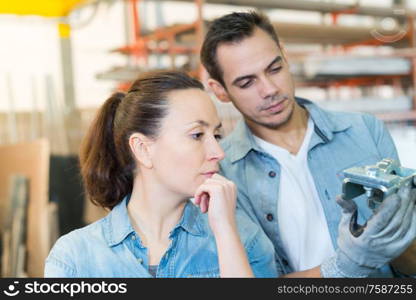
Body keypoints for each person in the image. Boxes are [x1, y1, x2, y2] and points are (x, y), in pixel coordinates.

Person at [200, 11, 416, 277]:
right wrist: (344, 267)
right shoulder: (223, 173)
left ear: (285, 56)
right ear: (220, 90)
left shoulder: (365, 131)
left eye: (275, 69)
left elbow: (407, 250)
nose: (269, 89)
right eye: (247, 82)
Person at [44, 70, 277, 278]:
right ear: (143, 149)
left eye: (216, 135)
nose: (218, 152)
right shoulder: (74, 258)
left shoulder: (245, 239)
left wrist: (226, 232)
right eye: (197, 135)